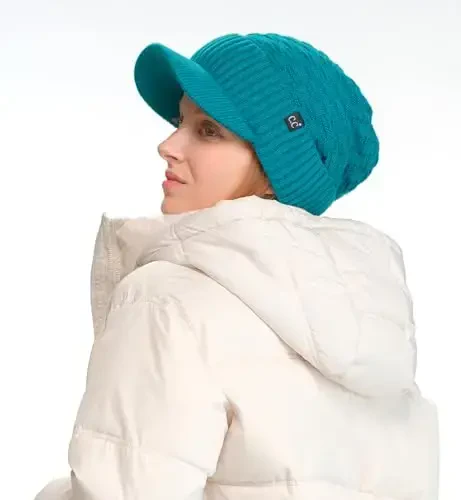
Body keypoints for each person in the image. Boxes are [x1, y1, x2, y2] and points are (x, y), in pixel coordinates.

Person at [34, 33, 439, 500]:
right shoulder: (377, 328)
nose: (168, 144)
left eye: (209, 130)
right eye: (180, 121)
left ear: (274, 169)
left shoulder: (168, 300)